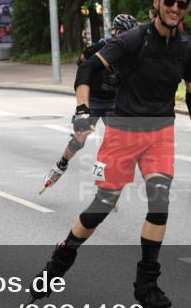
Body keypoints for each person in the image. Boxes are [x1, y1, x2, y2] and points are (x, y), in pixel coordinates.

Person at [28, 0, 191, 308]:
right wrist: (82, 110)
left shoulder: (188, 48)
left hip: (160, 134)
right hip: (123, 132)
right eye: (169, 1)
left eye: (181, 4)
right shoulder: (133, 39)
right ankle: (57, 264)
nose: (175, 8)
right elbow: (87, 69)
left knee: (159, 203)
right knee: (100, 207)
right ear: (157, 2)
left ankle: (147, 287)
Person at [41, 13, 138, 193]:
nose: (127, 38)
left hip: (113, 101)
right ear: (116, 32)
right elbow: (82, 63)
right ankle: (61, 165)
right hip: (93, 99)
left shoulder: (133, 52)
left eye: (131, 34)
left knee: (116, 141)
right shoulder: (102, 46)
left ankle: (101, 179)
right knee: (80, 138)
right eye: (124, 33)